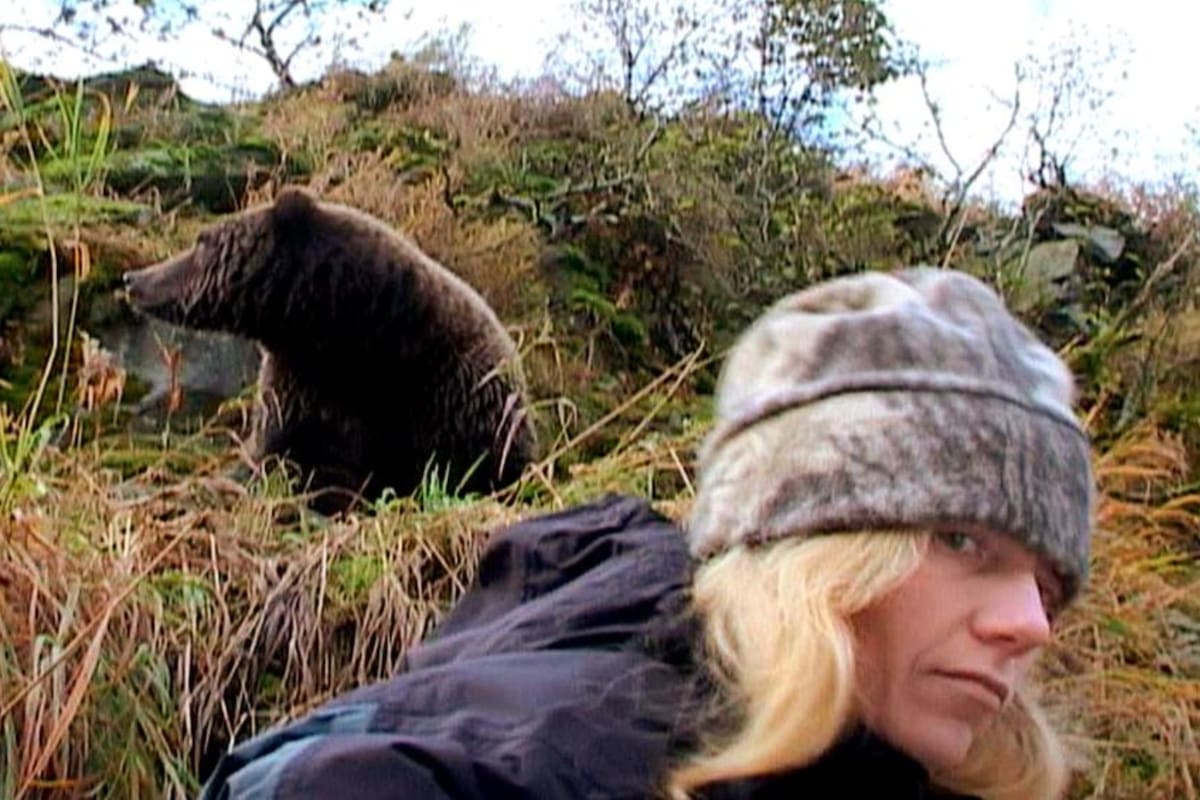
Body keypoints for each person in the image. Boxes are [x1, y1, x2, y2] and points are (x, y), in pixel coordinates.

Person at [200, 267, 1095, 800]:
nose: (1030, 624)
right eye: (960, 540)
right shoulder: (523, 772)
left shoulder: (881, 760)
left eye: (1048, 582)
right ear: (809, 542)